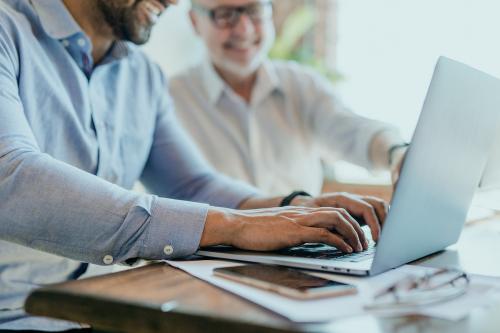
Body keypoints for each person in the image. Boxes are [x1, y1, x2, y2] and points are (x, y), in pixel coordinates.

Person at [0, 0, 389, 331]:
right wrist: (233, 225)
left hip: (101, 310)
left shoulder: (143, 75)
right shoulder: (7, 29)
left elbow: (191, 185)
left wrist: (294, 206)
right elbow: (11, 176)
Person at [170, 0, 408, 196]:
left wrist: (396, 153)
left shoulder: (303, 86)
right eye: (225, 15)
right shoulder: (170, 98)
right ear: (194, 21)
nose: (244, 29)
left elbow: (354, 132)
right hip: (208, 253)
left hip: (303, 249)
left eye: (254, 11)